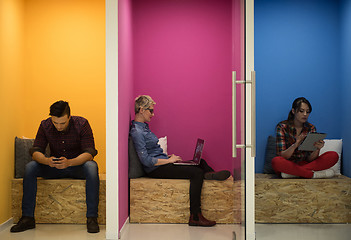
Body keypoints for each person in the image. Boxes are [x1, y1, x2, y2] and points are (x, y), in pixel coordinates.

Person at [130, 95, 231, 227]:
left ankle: (211, 176)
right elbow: (146, 161)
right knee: (196, 173)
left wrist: (168, 158)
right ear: (142, 110)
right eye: (151, 110)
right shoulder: (137, 132)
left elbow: (152, 151)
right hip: (156, 169)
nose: (153, 114)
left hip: (162, 163)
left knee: (201, 162)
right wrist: (168, 160)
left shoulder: (144, 127)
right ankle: (195, 216)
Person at [10, 101, 100, 233]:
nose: (58, 126)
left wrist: (69, 162)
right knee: (30, 167)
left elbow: (90, 153)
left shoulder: (82, 124)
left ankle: (92, 218)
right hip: (53, 166)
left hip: (76, 166)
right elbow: (35, 151)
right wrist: (47, 161)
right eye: (55, 123)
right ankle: (27, 218)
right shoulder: (45, 125)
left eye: (62, 123)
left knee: (92, 167)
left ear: (69, 117)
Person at [271, 97, 338, 179]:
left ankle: (294, 174)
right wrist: (296, 145)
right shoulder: (282, 127)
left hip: (305, 164)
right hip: (288, 164)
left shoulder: (311, 128)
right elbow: (283, 156)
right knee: (276, 161)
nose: (305, 114)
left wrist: (317, 149)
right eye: (301, 111)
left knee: (333, 155)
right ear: (293, 111)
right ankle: (312, 175)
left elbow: (310, 159)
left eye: (308, 112)